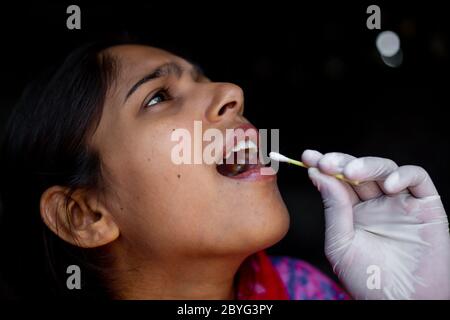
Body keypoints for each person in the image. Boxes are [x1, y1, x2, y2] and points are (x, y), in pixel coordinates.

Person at [0, 40, 448, 300]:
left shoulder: (305, 290)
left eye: (203, 78)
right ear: (86, 215)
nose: (232, 92)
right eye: (157, 96)